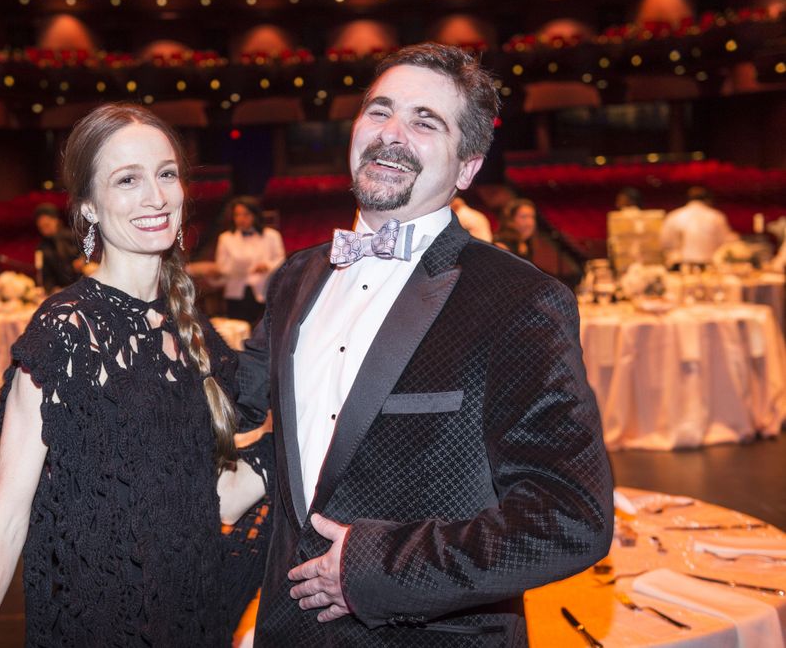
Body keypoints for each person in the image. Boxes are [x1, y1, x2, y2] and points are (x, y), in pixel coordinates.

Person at [236, 43, 613, 646]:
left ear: (466, 167)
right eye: (379, 111)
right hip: (288, 630)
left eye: (424, 121)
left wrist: (373, 569)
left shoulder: (519, 298)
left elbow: (570, 516)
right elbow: (232, 402)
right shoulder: (295, 278)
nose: (392, 134)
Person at [0, 103, 271, 647]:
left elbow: (194, 496)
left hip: (188, 619)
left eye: (166, 174)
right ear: (89, 208)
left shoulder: (194, 332)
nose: (156, 196)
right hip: (99, 624)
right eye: (127, 180)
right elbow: (6, 521)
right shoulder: (66, 330)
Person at [215, 196, 285, 325]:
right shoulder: (225, 238)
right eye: (237, 215)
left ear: (255, 215)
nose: (241, 219)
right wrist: (237, 267)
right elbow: (221, 267)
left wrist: (268, 266)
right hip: (237, 292)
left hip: (264, 289)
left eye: (246, 214)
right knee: (239, 331)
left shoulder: (272, 235)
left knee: (264, 329)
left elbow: (281, 260)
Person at [660, 186, 737, 268]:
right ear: (708, 200)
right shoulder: (716, 217)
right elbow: (725, 241)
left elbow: (665, 242)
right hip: (709, 265)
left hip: (680, 265)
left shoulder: (674, 216)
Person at [33, 202, 82, 292]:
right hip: (61, 290)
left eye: (47, 225)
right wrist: (51, 288)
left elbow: (89, 255)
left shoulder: (72, 237)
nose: (45, 230)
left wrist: (82, 262)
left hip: (81, 284)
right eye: (41, 228)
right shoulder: (42, 248)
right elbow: (46, 275)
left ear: (55, 220)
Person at [494, 197, 537, 262]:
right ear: (510, 220)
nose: (530, 222)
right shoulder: (501, 244)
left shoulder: (527, 245)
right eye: (524, 217)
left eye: (532, 217)